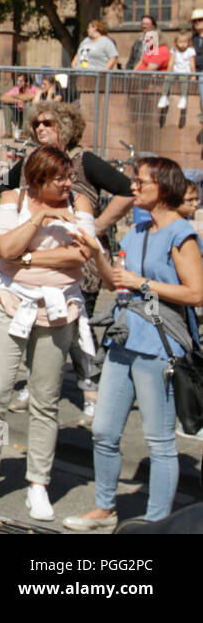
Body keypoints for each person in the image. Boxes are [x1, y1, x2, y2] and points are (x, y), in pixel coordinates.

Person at [64, 157, 203, 529]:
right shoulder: (137, 232)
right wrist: (96, 252)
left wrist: (143, 283)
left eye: (141, 182)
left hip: (160, 346)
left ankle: (158, 523)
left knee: (159, 441)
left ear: (164, 188)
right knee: (104, 430)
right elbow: (114, 283)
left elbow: (196, 292)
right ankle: (105, 508)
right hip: (124, 339)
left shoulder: (182, 234)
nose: (133, 188)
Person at [0, 147, 100, 521]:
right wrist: (41, 217)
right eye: (60, 178)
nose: (69, 183)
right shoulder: (15, 198)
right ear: (38, 179)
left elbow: (81, 255)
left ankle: (38, 482)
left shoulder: (82, 204)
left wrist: (27, 258)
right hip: (12, 302)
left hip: (60, 310)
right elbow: (5, 246)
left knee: (46, 399)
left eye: (69, 176)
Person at [7, 100, 134, 421]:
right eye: (37, 124)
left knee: (79, 325)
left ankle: (91, 393)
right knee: (34, 323)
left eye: (48, 123)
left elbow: (127, 190)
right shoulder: (30, 163)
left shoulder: (84, 161)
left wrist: (100, 224)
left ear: (64, 125)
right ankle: (35, 385)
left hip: (79, 259)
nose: (41, 129)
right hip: (33, 261)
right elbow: (5, 192)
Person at [161, 32, 196, 114]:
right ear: (176, 42)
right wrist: (168, 72)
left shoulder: (190, 51)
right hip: (176, 71)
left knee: (183, 80)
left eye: (185, 42)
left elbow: (192, 63)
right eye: (180, 42)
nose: (183, 44)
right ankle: (164, 97)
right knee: (168, 79)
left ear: (188, 43)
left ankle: (183, 98)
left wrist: (193, 75)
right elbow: (171, 62)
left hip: (185, 72)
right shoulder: (174, 51)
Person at [0, 73, 37, 139]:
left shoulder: (34, 89)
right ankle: (8, 133)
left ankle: (24, 133)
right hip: (18, 116)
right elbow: (3, 98)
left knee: (28, 105)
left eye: (20, 81)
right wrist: (18, 100)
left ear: (27, 82)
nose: (18, 83)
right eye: (17, 80)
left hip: (29, 118)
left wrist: (15, 96)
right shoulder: (16, 89)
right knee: (6, 105)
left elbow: (31, 97)